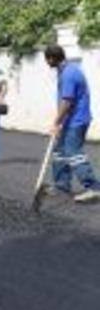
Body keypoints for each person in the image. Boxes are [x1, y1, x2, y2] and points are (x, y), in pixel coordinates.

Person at [44, 45, 100, 203]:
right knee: (59, 151)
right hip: (70, 119)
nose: (47, 63)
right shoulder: (69, 70)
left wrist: (56, 122)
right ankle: (62, 185)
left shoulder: (68, 74)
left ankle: (94, 188)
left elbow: (67, 101)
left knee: (73, 152)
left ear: (51, 59)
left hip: (77, 120)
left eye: (47, 60)